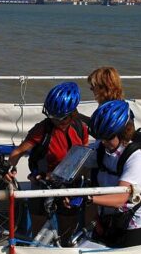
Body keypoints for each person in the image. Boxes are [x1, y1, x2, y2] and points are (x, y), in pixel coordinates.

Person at [5, 82, 89, 243]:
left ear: (72, 114)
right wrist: (10, 168)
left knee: (66, 236)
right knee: (37, 237)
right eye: (51, 116)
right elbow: (17, 152)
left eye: (59, 118)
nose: (54, 121)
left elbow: (82, 158)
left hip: (69, 184)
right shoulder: (42, 130)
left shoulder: (81, 128)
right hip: (42, 182)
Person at [87, 100, 141, 247]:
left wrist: (87, 198)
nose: (103, 142)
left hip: (132, 225)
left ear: (123, 133)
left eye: (107, 138)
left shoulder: (135, 157)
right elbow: (74, 163)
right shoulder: (101, 148)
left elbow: (120, 198)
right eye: (100, 138)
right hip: (107, 218)